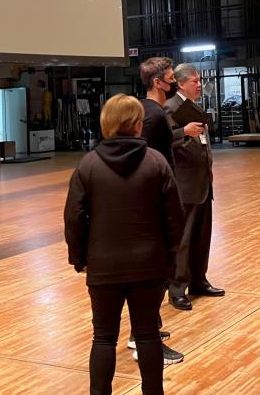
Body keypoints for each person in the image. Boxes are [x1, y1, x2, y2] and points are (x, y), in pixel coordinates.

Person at [64, 94, 185, 395]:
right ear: (137, 124)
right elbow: (175, 216)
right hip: (149, 265)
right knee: (148, 336)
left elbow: (74, 217)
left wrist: (80, 259)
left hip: (104, 265)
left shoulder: (88, 165)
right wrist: (169, 256)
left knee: (103, 338)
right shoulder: (156, 162)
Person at [133, 57, 200, 365]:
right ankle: (144, 339)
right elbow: (144, 154)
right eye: (172, 78)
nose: (174, 83)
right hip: (154, 204)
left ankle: (146, 331)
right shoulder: (156, 115)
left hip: (154, 200)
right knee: (156, 274)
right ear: (158, 82)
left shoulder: (148, 112)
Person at [165, 63, 225, 310]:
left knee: (202, 236)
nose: (199, 85)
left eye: (199, 80)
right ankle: (177, 288)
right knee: (184, 238)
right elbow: (163, 141)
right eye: (194, 81)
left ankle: (198, 280)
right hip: (185, 183)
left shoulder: (194, 107)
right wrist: (184, 132)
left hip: (202, 182)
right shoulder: (170, 108)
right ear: (180, 83)